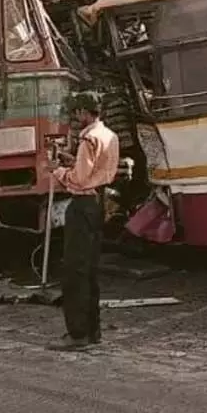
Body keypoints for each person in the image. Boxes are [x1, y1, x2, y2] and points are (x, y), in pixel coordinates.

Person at [50, 91, 119, 351]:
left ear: (83, 112)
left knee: (75, 270)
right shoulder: (109, 136)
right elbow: (94, 170)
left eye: (77, 112)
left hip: (82, 203)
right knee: (89, 270)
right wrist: (73, 161)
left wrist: (56, 170)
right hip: (99, 202)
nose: (75, 117)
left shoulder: (87, 139)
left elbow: (79, 179)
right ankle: (93, 331)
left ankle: (77, 333)